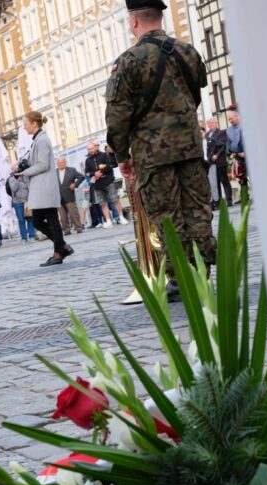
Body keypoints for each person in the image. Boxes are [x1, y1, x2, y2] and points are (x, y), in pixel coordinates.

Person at [106, 0, 214, 288]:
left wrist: (121, 155)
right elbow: (195, 94)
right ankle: (204, 268)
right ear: (160, 16)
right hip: (190, 148)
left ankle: (181, 278)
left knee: (167, 217)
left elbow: (118, 116)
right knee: (198, 210)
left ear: (133, 21)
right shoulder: (188, 52)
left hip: (152, 154)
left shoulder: (128, 61)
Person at [17, 111, 73, 266]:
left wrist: (25, 172)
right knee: (38, 221)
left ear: (35, 123)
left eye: (26, 124)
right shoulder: (38, 140)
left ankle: (58, 253)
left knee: (50, 220)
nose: (24, 127)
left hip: (44, 187)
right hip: (40, 187)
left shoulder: (42, 140)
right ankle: (62, 247)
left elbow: (43, 164)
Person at [83, 141, 129, 226]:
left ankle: (121, 217)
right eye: (89, 149)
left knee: (115, 200)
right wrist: (94, 174)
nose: (90, 150)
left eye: (92, 148)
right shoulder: (87, 160)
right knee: (103, 203)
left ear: (95, 147)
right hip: (97, 185)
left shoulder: (104, 155)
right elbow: (87, 172)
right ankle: (108, 220)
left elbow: (109, 165)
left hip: (108, 181)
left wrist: (101, 172)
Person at [204, 118, 232, 208]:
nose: (211, 124)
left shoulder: (222, 133)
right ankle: (218, 202)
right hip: (211, 163)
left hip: (220, 161)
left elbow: (223, 145)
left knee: (225, 181)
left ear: (216, 123)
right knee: (215, 183)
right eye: (209, 123)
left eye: (212, 123)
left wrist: (217, 155)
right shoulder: (207, 135)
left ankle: (229, 200)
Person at [56, 157, 85, 235]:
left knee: (74, 214)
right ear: (57, 164)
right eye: (59, 163)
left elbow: (82, 177)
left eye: (62, 162)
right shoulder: (54, 173)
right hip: (58, 198)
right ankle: (66, 230)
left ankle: (78, 227)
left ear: (65, 162)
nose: (61, 164)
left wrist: (75, 184)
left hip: (69, 195)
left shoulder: (72, 170)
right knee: (63, 217)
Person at [6, 172, 35, 242]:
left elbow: (30, 187)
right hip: (17, 202)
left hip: (27, 201)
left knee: (29, 218)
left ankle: (32, 236)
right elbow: (14, 189)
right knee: (21, 220)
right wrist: (17, 179)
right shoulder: (11, 179)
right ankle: (24, 237)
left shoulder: (25, 177)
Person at [226, 107, 247, 190]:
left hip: (250, 155)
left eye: (231, 118)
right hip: (238, 157)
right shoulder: (228, 131)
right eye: (229, 120)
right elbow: (228, 145)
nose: (230, 121)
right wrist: (235, 153)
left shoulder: (246, 125)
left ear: (237, 116)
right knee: (241, 179)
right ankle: (245, 197)